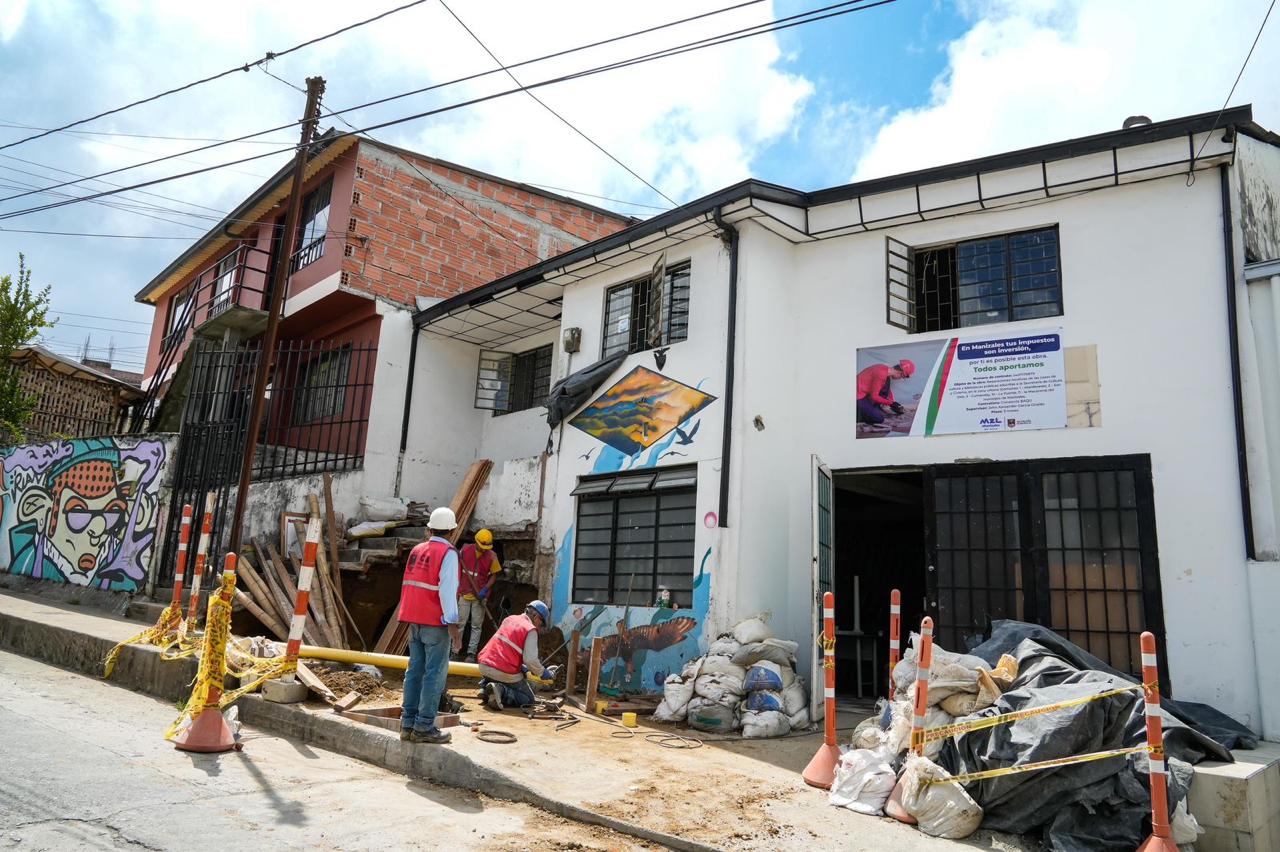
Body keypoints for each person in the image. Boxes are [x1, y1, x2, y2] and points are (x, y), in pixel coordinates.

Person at [398, 507, 462, 744]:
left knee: (414, 671)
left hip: (413, 620)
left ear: (430, 529)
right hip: (435, 622)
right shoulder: (448, 553)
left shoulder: (417, 550)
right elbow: (447, 591)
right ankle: (424, 726)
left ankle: (407, 724)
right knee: (434, 674)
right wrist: (453, 625)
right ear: (452, 531)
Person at [476, 599, 560, 711]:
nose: (540, 626)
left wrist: (521, 667)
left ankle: (485, 688)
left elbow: (505, 649)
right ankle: (500, 690)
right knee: (528, 699)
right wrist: (543, 672)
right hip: (503, 671)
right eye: (542, 622)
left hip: (484, 665)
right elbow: (530, 660)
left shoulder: (509, 619)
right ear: (536, 617)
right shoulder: (530, 630)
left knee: (505, 676)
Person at [457, 528, 502, 662]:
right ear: (476, 542)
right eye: (481, 547)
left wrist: (485, 589)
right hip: (464, 593)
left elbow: (494, 575)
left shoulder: (492, 556)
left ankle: (471, 653)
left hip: (480, 596)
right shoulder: (465, 550)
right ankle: (454, 651)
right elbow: (458, 567)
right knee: (460, 624)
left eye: (486, 548)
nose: (483, 550)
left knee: (476, 625)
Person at [856, 359, 915, 425]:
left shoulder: (884, 369)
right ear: (899, 372)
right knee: (879, 419)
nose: (900, 378)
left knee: (887, 381)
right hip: (857, 395)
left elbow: (887, 389)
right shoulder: (881, 374)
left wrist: (893, 402)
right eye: (902, 377)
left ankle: (874, 409)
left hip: (862, 393)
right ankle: (857, 413)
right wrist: (890, 403)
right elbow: (874, 396)